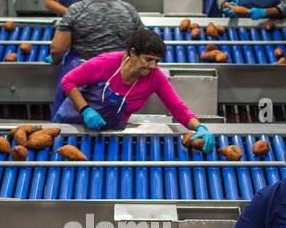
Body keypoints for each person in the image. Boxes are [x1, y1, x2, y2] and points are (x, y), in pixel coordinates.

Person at [54, 27, 217, 147]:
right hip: (72, 127)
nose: (153, 66)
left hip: (109, 135)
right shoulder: (105, 63)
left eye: (157, 61)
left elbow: (178, 109)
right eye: (148, 59)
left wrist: (200, 126)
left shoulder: (155, 77)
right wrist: (85, 110)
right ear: (132, 53)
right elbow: (68, 81)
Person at [49, 0, 141, 115]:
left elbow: (58, 48)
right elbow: (140, 46)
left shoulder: (77, 10)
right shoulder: (129, 10)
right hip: (117, 83)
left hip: (81, 84)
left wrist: (55, 59)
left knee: (70, 131)